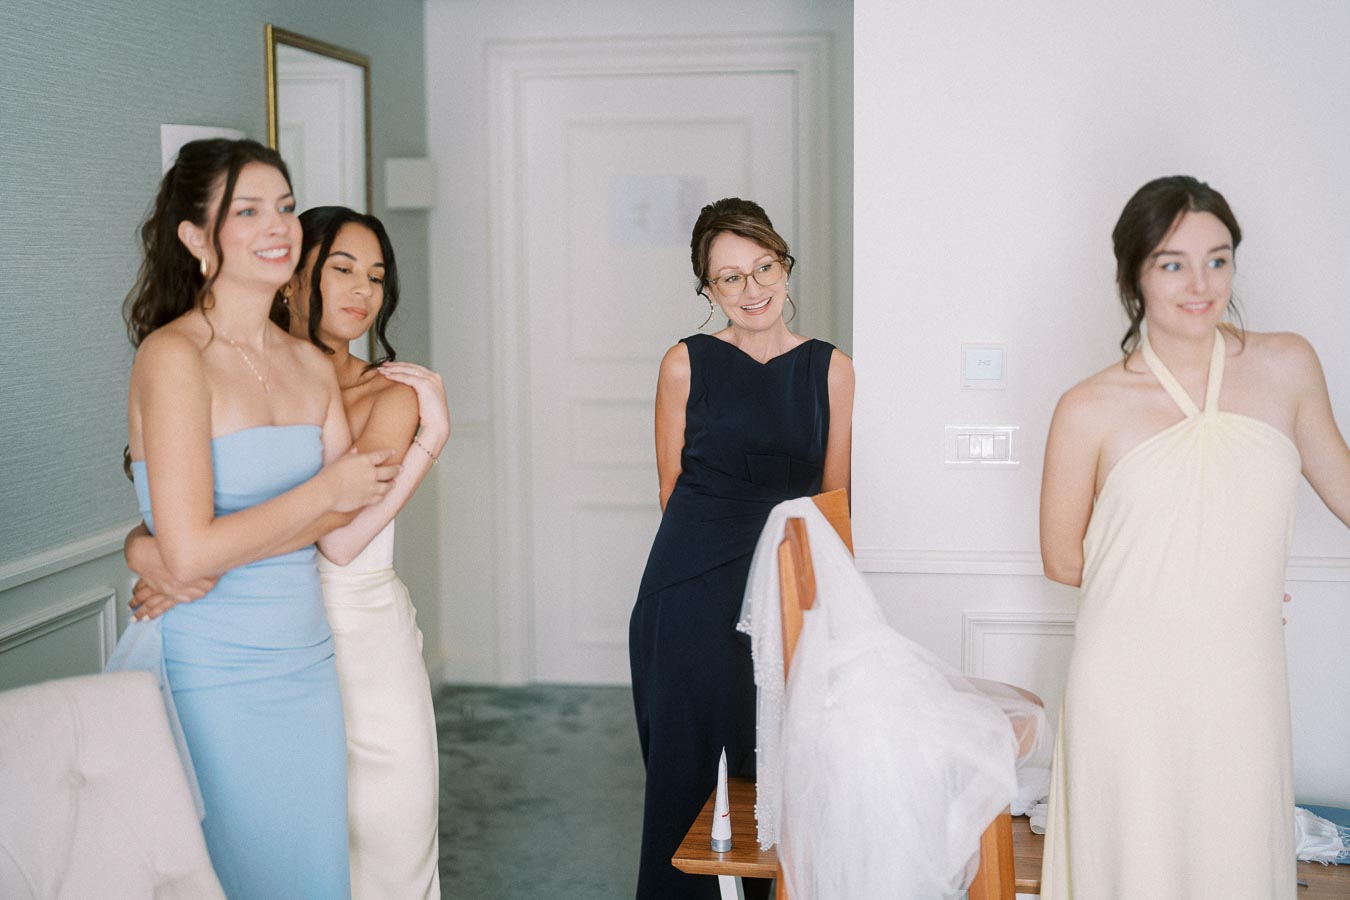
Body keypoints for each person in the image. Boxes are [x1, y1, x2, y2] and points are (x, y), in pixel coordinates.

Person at [1038, 175, 1350, 899]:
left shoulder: (1288, 365)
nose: (1200, 284)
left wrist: (1227, 585)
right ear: (1133, 275)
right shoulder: (1088, 405)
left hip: (1241, 669)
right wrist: (1197, 584)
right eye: (1173, 263)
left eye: (1218, 259)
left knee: (1234, 854)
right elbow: (1061, 559)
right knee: (1135, 862)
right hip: (1127, 676)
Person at [127, 205, 449, 898]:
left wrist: (431, 439)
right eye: (342, 269)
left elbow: (340, 538)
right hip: (262, 639)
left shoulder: (391, 392)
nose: (363, 290)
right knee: (271, 852)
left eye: (376, 276)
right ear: (292, 277)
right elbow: (171, 501)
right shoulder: (229, 374)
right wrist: (147, 547)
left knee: (392, 849)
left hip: (367, 643)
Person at [628, 197, 854, 899]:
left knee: (780, 779)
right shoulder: (683, 364)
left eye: (763, 268)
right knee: (687, 780)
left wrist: (828, 610)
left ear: (785, 267)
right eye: (729, 277)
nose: (751, 289)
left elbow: (833, 502)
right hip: (690, 591)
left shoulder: (831, 370)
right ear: (708, 289)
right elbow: (671, 489)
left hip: (786, 590)